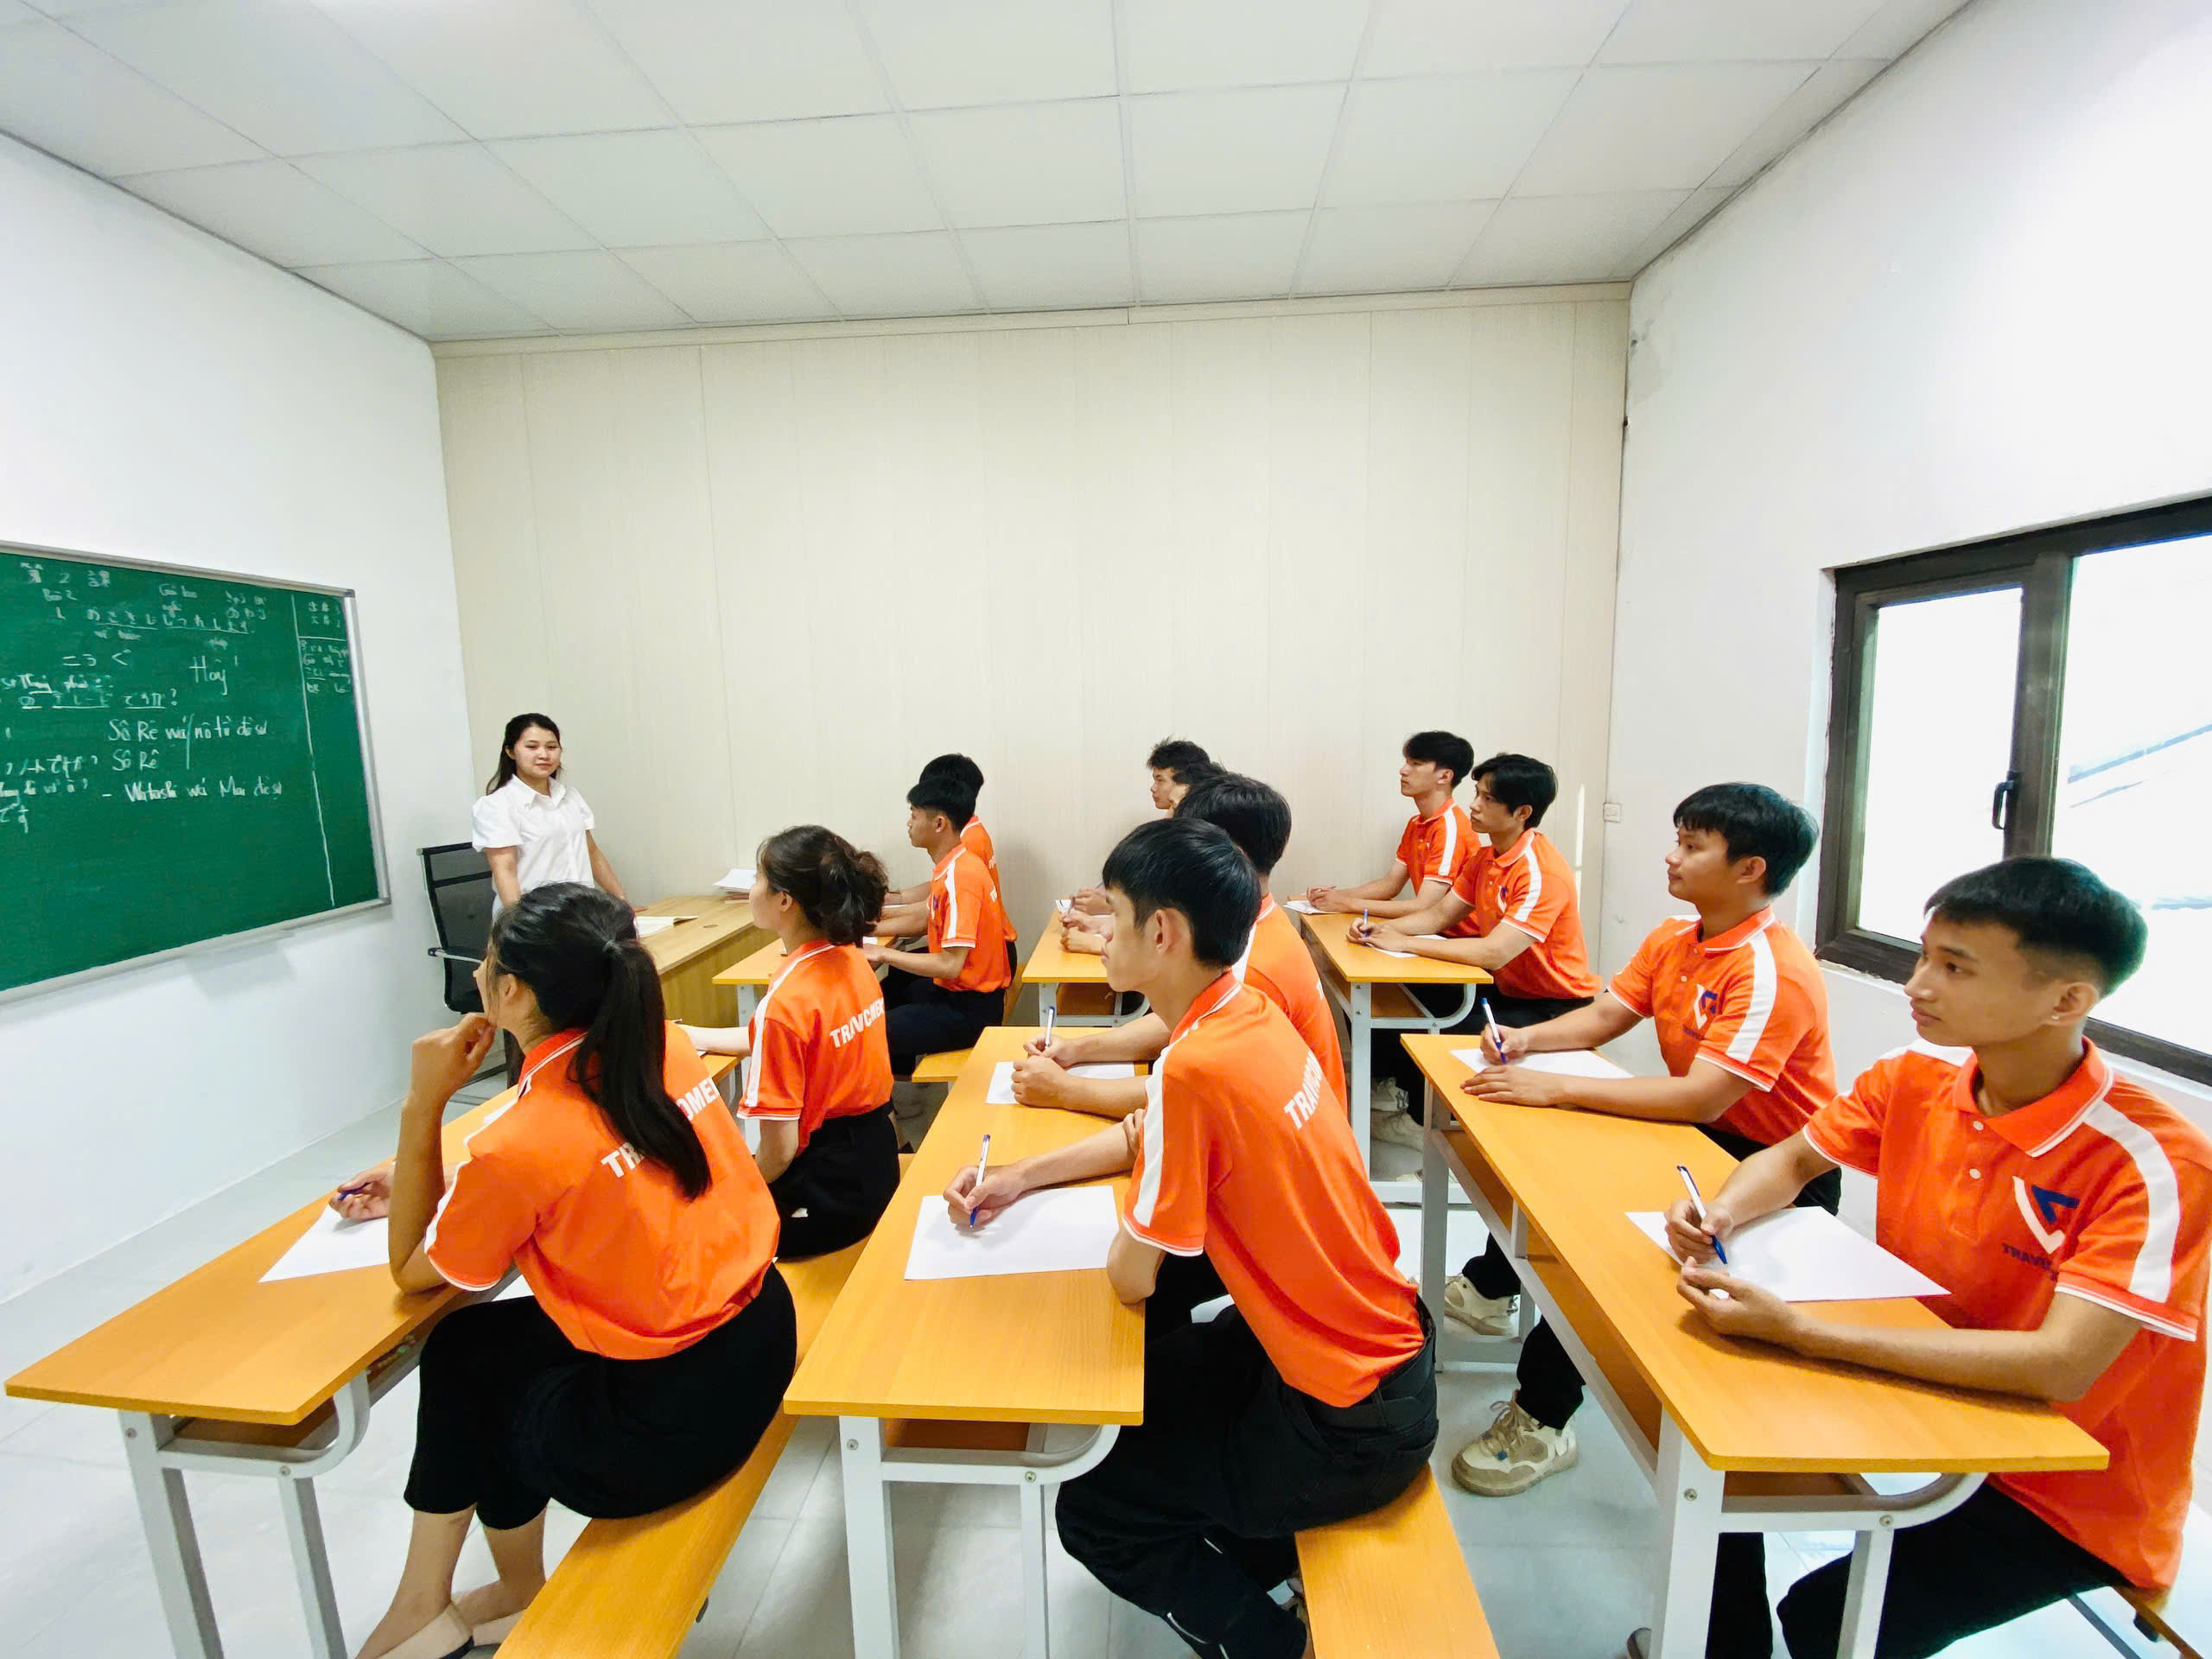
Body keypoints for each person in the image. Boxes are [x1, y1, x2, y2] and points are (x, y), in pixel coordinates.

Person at [1643, 857, 2209, 1659]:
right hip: (1918, 1391)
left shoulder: (2156, 1163)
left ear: (2066, 1001)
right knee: (1710, 1453)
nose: (1917, 985)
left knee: (1827, 1618)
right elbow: (1795, 1159)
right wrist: (1722, 1210)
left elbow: (2061, 1366)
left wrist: (1802, 1333)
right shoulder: (1918, 1075)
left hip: (2060, 1486)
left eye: (1955, 968)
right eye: (1923, 957)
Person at [946, 818, 1436, 1659]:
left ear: (1163, 932)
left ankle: (1272, 1644)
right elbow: (1153, 1134)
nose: (1101, 930)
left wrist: (1122, 1224)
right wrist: (1022, 1177)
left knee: (1095, 1511)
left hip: (1349, 1421)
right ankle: (1257, 1557)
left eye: (1116, 913)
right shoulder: (1245, 1013)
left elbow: (1131, 1276)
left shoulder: (1195, 1066)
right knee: (1149, 1387)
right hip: (1377, 1358)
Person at [346, 884, 792, 1659]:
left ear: (514, 991)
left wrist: (423, 1107)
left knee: (480, 1392)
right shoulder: (663, 1047)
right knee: (469, 1350)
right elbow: (585, 1162)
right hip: (760, 1337)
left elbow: (415, 1272)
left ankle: (440, 1603)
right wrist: (446, 1183)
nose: (478, 973)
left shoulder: (520, 1143)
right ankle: (476, 1594)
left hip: (671, 1426)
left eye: (488, 961)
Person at [1445, 782, 1836, 1507]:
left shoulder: (1771, 969)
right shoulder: (1675, 936)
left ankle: (1542, 1419)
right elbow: (1604, 1018)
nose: (1671, 857)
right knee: (1565, 1212)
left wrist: (1555, 1088)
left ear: (1750, 869)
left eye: (1692, 846)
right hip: (1697, 1140)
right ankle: (1503, 1302)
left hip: (1770, 1168)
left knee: (1604, 1266)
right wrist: (1527, 1041)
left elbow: (1704, 1096)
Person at [1018, 772, 1344, 1122]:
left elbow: (1188, 1090)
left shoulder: (1252, 967)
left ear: (1225, 857)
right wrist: (1077, 1049)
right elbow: (1183, 1024)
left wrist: (1066, 1090)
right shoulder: (1248, 925)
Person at [1351, 753, 1599, 1146]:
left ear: (1522, 812)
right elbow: (1439, 916)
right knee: (1390, 994)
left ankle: (1425, 1127)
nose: (1475, 805)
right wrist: (1381, 930)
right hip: (1506, 989)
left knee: (1438, 1032)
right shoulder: (1486, 857)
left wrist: (1406, 942)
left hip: (1553, 1006)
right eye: (1477, 794)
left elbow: (1493, 953)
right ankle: (1402, 1092)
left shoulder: (1540, 871)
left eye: (1488, 799)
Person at [680, 826, 899, 1259]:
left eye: (758, 878)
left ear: (785, 900)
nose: (751, 890)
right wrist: (692, 1036)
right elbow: (783, 1040)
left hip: (827, 1196)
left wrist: (741, 1189)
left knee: (700, 1219)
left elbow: (779, 1152)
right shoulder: (851, 960)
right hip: (877, 1164)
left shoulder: (787, 1001)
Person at [869, 770, 1012, 1074]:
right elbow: (928, 919)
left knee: (868, 1031)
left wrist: (882, 952)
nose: (908, 823)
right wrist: (872, 930)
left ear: (938, 824)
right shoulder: (953, 866)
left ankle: (887, 1098)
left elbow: (950, 965)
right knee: (887, 993)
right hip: (957, 993)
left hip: (971, 1009)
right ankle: (899, 1085)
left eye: (913, 815)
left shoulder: (961, 877)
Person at [1306, 729, 1478, 920]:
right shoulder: (1417, 823)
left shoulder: (1450, 829)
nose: (1403, 770)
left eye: (1416, 764)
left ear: (1445, 776)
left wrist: (1346, 904)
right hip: (1429, 928)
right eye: (1407, 762)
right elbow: (1390, 885)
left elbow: (1424, 907)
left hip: (1457, 934)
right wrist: (1333, 896)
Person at [471, 713, 628, 912]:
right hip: (535, 918)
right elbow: (505, 871)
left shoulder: (570, 797)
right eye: (532, 747)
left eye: (552, 747)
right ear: (510, 751)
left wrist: (621, 901)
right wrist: (522, 924)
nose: (544, 755)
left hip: (582, 914)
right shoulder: (497, 805)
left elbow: (592, 853)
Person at [1065, 740, 1216, 920]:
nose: (1153, 788)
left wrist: (1110, 906)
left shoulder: (1199, 831)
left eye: (1160, 780)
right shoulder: (1176, 817)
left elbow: (1172, 901)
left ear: (1186, 784)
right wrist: (1108, 897)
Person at [878, 754, 991, 939]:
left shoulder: (968, 844)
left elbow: (928, 916)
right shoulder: (969, 833)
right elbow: (937, 896)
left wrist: (869, 921)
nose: (909, 823)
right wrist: (897, 899)